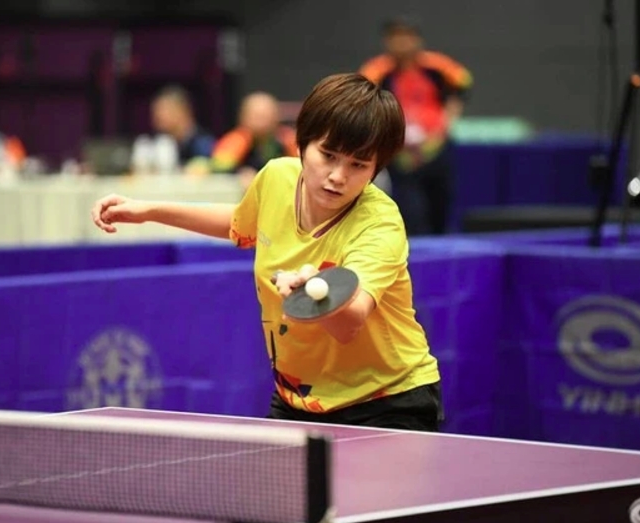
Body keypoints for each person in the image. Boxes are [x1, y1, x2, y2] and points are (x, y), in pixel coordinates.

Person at [91, 73, 443, 431]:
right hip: (298, 398)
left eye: (358, 164)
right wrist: (149, 210)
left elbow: (350, 321)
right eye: (328, 155)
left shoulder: (379, 223)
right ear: (302, 144)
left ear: (375, 170)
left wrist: (314, 297)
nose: (337, 175)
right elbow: (240, 224)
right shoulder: (276, 177)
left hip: (387, 402)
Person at [360, 16, 472, 235]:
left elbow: (464, 83)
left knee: (441, 207)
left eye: (407, 36)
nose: (402, 42)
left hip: (436, 148)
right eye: (396, 37)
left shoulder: (437, 66)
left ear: (417, 39)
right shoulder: (375, 71)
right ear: (387, 41)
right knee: (412, 213)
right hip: (400, 154)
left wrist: (448, 119)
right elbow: (362, 101)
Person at [209, 91, 298, 190]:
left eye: (266, 115)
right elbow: (219, 168)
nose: (262, 121)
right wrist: (239, 173)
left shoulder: (287, 139)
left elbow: (303, 168)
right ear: (243, 117)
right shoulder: (236, 140)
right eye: (257, 115)